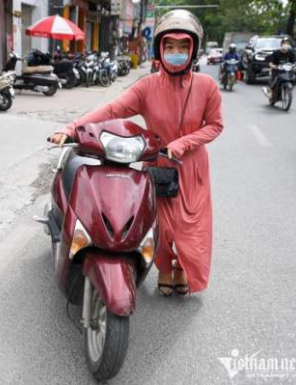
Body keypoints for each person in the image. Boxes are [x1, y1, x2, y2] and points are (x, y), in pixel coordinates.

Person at [50, 9, 223, 296]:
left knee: (190, 228)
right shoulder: (147, 86)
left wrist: (182, 144)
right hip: (158, 165)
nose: (176, 52)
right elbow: (111, 109)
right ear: (159, 49)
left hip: (193, 169)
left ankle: (184, 267)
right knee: (162, 226)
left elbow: (215, 125)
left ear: (193, 50)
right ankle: (166, 270)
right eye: (169, 46)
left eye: (183, 47)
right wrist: (72, 127)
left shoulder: (207, 87)